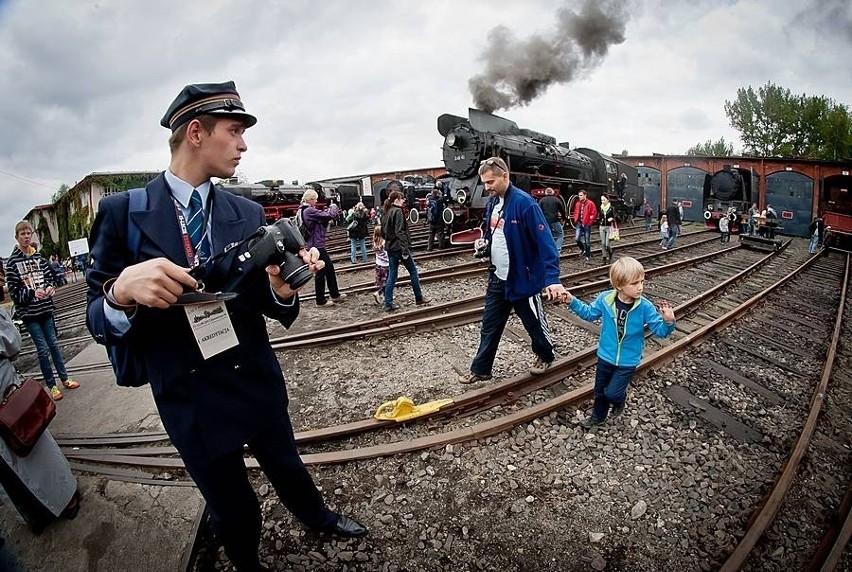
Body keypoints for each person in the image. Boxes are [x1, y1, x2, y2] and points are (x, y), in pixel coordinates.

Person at [84, 81, 366, 571]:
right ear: (196, 133)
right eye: (234, 131)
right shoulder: (122, 213)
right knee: (233, 506)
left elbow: (267, 303)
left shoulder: (247, 212)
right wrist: (120, 292)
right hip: (187, 394)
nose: (244, 144)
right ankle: (246, 562)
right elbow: (96, 316)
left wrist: (281, 289)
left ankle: (316, 515)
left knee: (286, 463)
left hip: (251, 374)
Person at [460, 157, 567, 384]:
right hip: (498, 277)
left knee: (534, 323)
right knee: (490, 325)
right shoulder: (493, 203)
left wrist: (552, 279)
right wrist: (483, 243)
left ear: (505, 176)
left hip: (523, 279)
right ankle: (481, 369)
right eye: (484, 183)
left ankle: (545, 355)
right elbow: (492, 232)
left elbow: (546, 243)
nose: (487, 187)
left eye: (490, 182)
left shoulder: (525, 203)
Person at [562, 257, 675, 427]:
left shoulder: (645, 306)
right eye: (635, 283)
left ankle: (619, 400)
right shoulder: (605, 299)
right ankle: (597, 418)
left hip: (628, 360)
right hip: (605, 355)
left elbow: (660, 332)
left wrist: (668, 322)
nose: (640, 287)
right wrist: (571, 301)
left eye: (642, 281)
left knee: (613, 394)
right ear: (620, 285)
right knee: (600, 392)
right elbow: (589, 313)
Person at [0, 306, 80, 534]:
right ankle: (64, 499)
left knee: (11, 464)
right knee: (31, 443)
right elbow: (12, 343)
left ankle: (35, 513)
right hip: (5, 391)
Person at [5, 221, 80, 401]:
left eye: (28, 233)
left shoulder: (39, 258)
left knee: (54, 344)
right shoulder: (12, 263)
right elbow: (14, 293)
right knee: (42, 349)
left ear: (32, 235)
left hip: (45, 308)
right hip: (30, 314)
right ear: (17, 237)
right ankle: (52, 385)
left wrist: (49, 288)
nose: (26, 236)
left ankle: (64, 378)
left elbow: (50, 278)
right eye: (22, 234)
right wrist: (31, 293)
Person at [381, 190, 428, 312]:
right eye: (402, 199)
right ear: (397, 200)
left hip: (390, 248)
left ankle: (388, 303)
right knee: (413, 272)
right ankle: (419, 298)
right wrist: (405, 251)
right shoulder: (398, 212)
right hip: (399, 248)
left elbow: (383, 232)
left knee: (392, 275)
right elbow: (400, 232)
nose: (403, 201)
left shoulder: (386, 212)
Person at [300, 189, 344, 307]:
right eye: (314, 199)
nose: (316, 201)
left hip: (314, 244)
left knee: (328, 268)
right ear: (309, 199)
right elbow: (330, 215)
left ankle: (335, 295)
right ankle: (321, 300)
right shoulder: (309, 210)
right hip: (316, 245)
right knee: (321, 271)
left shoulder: (303, 210)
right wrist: (334, 206)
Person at [539, 187, 567, 252]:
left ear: (545, 193)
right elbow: (562, 210)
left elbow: (539, 211)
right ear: (553, 192)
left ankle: (549, 249)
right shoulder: (557, 200)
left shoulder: (542, 200)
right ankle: (557, 249)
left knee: (548, 235)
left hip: (545, 221)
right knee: (560, 234)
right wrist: (564, 218)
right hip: (555, 220)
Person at [572, 189, 597, 261]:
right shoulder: (577, 203)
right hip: (579, 223)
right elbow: (576, 212)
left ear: (585, 195)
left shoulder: (590, 203)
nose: (579, 197)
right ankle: (583, 249)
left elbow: (594, 213)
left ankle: (588, 255)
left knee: (587, 240)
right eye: (579, 195)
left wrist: (589, 222)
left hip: (586, 224)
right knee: (577, 238)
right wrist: (575, 219)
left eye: (581, 195)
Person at [372, 225, 389, 305]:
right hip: (386, 265)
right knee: (387, 281)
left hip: (378, 264)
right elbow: (386, 254)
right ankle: (380, 293)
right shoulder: (384, 242)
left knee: (382, 281)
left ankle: (384, 295)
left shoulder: (375, 241)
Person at [598, 195, 616, 264]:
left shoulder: (612, 208)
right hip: (602, 227)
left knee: (607, 244)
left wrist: (612, 218)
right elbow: (599, 216)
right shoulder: (601, 208)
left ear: (608, 200)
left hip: (609, 227)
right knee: (603, 243)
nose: (603, 201)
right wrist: (599, 221)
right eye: (602, 200)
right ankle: (604, 258)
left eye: (604, 200)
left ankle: (610, 252)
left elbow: (615, 216)